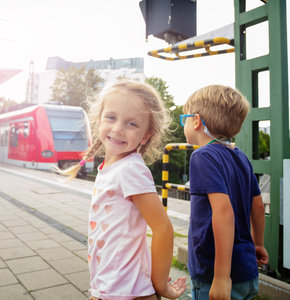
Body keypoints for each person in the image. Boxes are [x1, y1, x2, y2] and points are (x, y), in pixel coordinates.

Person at [62, 81, 186, 300]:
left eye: (132, 123)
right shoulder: (112, 168)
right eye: (111, 117)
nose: (118, 128)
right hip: (110, 285)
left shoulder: (130, 170)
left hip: (124, 291)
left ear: (146, 135)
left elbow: (163, 228)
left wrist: (161, 285)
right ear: (99, 119)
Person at [181, 85, 268, 300]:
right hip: (246, 268)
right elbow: (257, 205)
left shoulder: (203, 156)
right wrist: (258, 244)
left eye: (184, 119)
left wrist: (221, 277)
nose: (183, 124)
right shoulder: (241, 157)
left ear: (196, 120)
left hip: (215, 272)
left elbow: (223, 212)